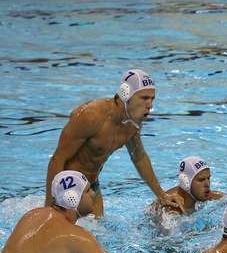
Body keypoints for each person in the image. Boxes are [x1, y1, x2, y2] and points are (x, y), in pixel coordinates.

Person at [44, 69, 184, 217]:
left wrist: (162, 195)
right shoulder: (91, 116)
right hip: (69, 187)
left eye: (152, 99)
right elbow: (57, 159)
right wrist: (49, 206)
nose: (149, 105)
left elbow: (139, 157)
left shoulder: (132, 123)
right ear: (125, 94)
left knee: (97, 233)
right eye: (144, 98)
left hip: (91, 186)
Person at [2, 170, 117, 253]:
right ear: (72, 198)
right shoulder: (77, 237)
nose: (93, 193)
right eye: (87, 190)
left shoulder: (33, 214)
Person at [154, 156, 224, 215]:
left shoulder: (204, 194)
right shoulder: (171, 209)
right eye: (201, 180)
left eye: (208, 178)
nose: (207, 184)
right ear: (186, 182)